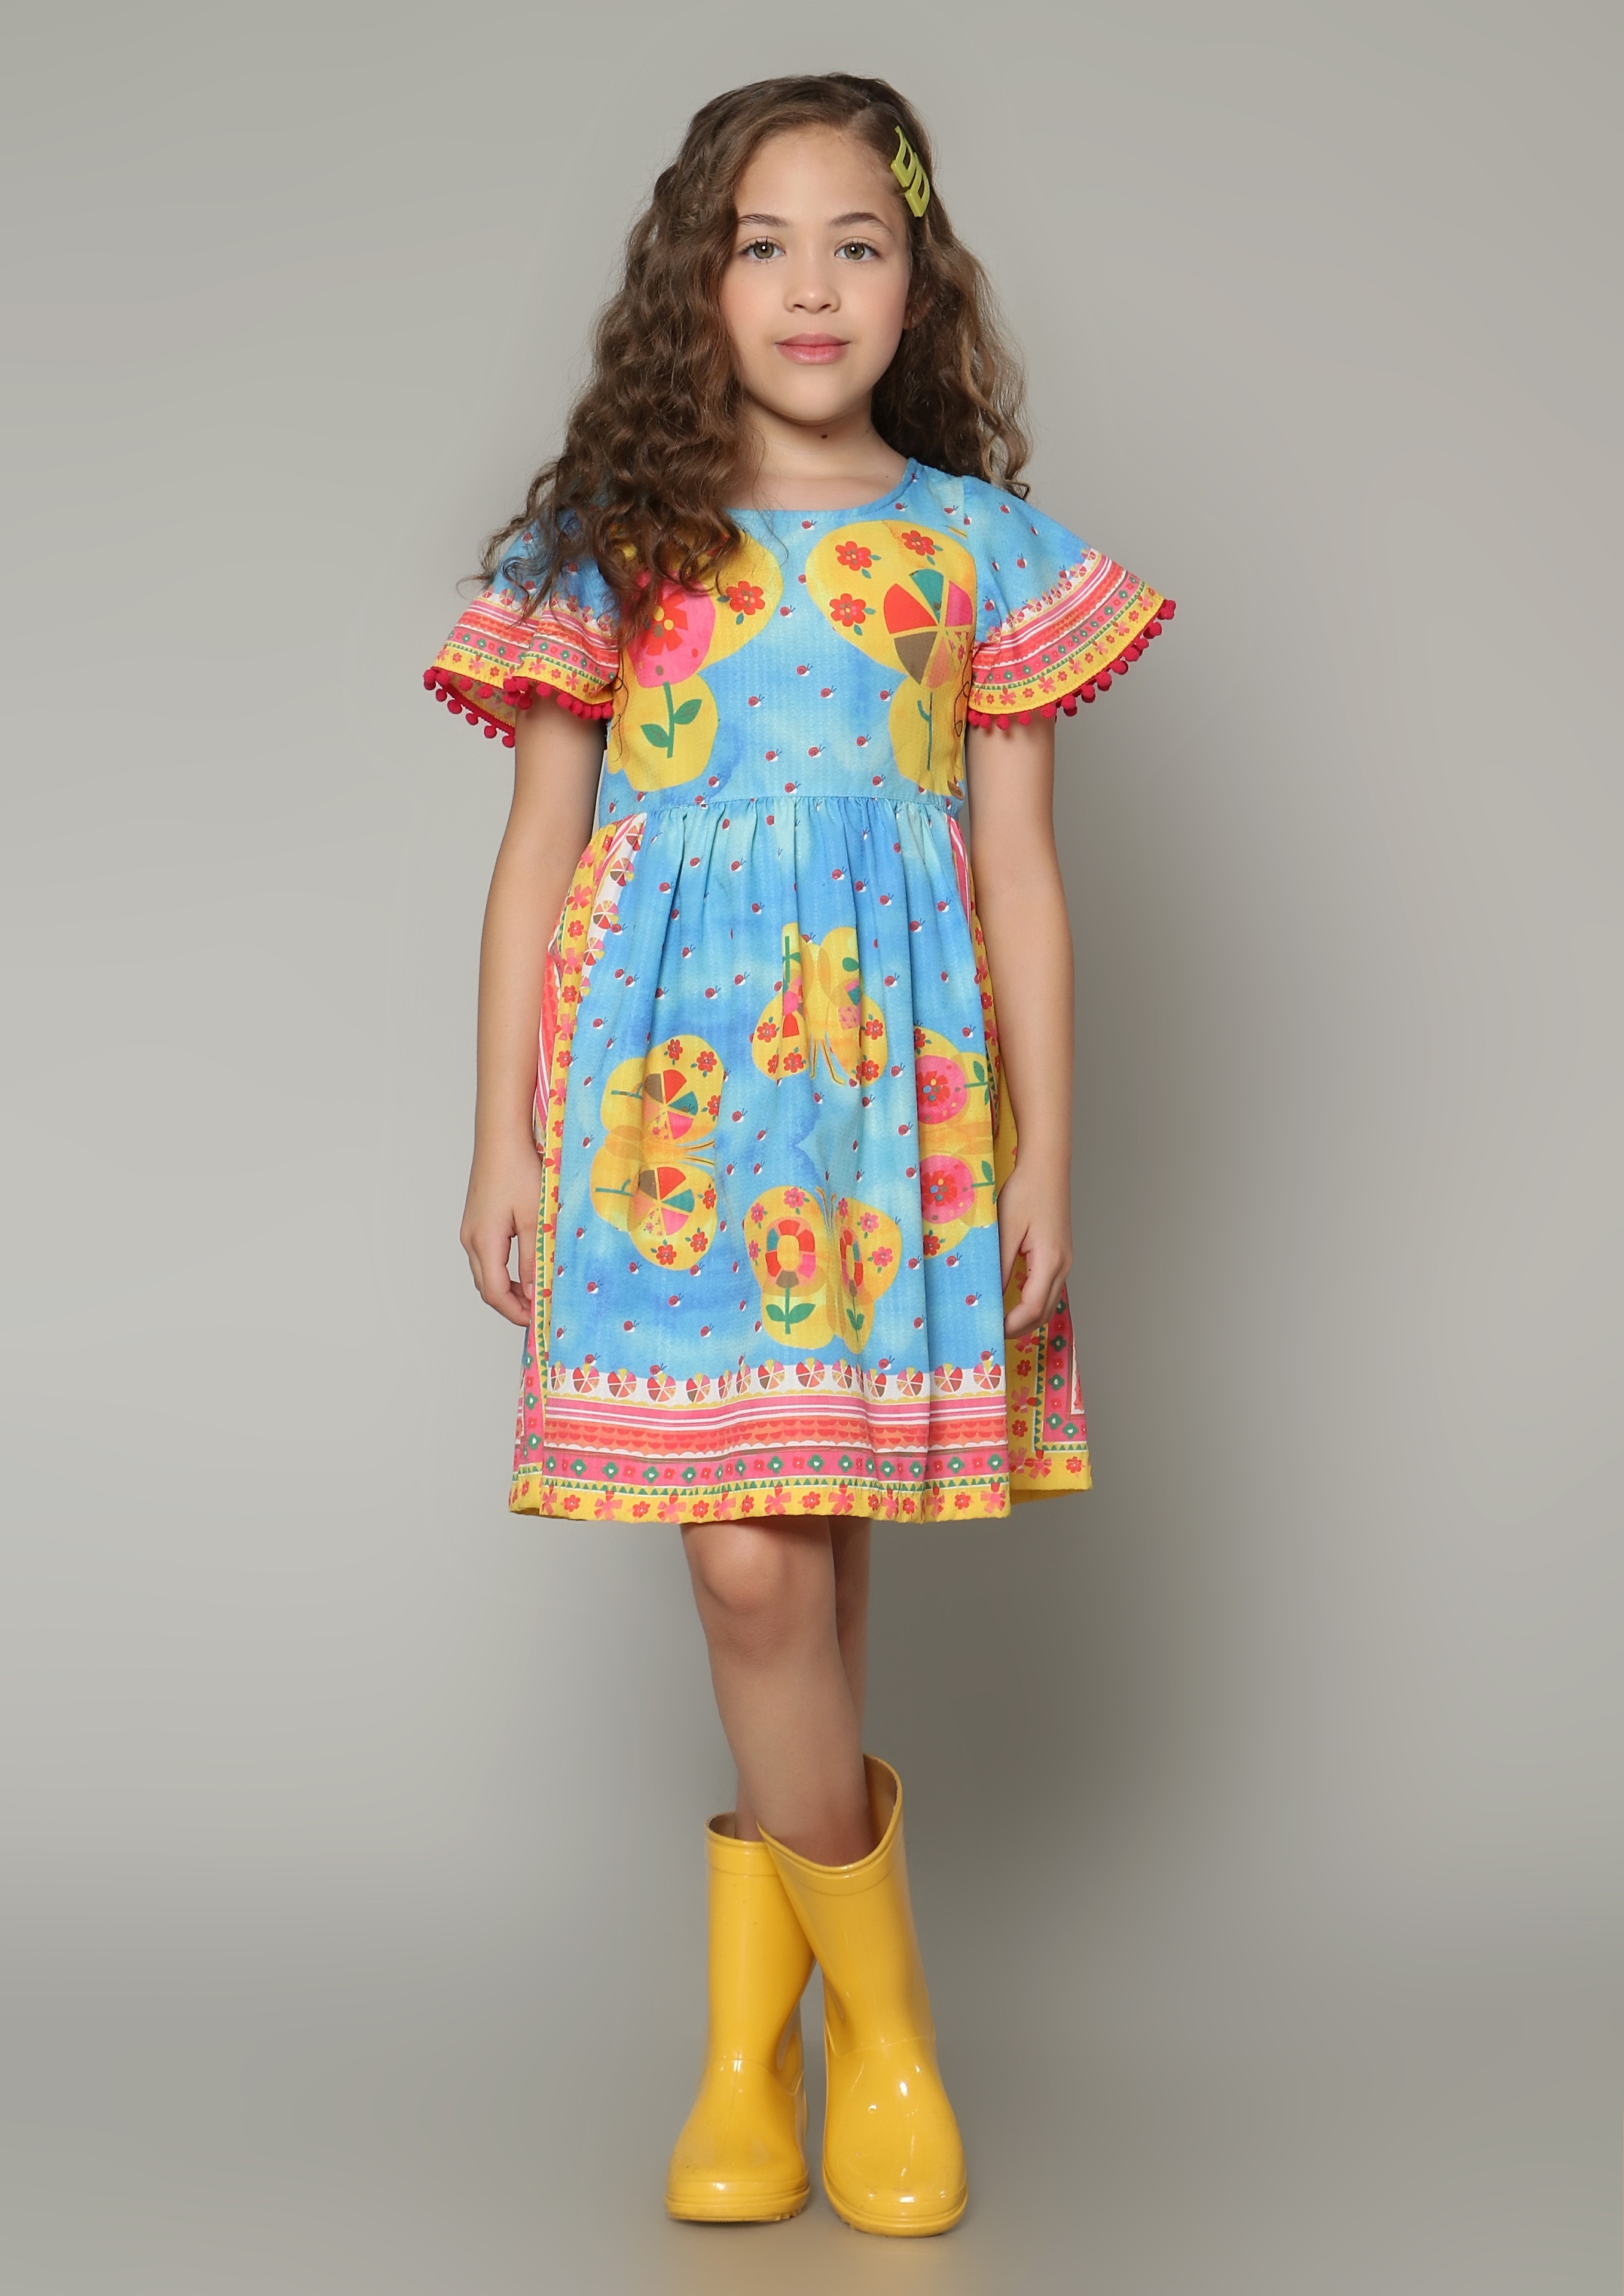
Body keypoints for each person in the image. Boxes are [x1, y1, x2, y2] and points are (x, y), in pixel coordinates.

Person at [427, 72, 1173, 2237]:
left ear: (919, 278)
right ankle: (894, 2036)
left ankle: (750, 2057)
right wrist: (498, 1137)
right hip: (665, 1107)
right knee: (747, 1564)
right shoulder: (614, 541)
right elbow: (534, 854)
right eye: (763, 245)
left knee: (819, 1557)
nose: (813, 286)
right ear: (697, 279)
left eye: (858, 242)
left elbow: (1018, 875)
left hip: (889, 1113)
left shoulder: (976, 545)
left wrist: (1046, 1157)